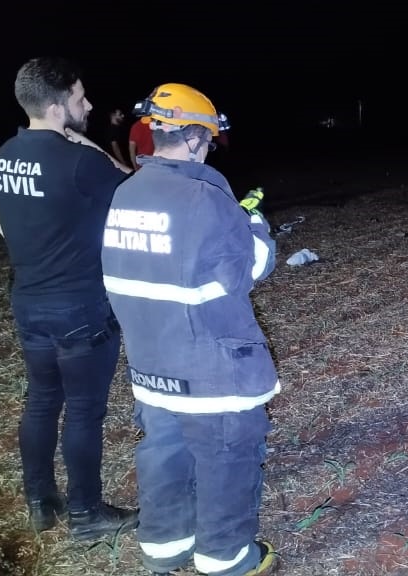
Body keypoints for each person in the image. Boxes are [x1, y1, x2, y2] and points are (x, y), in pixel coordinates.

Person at [101, 82, 280, 576]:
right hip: (210, 369)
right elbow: (246, 270)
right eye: (210, 138)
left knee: (163, 452)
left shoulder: (126, 193)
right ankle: (226, 559)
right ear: (198, 136)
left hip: (151, 364)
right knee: (226, 457)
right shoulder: (206, 194)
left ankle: (164, 547)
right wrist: (255, 225)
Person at [0, 56, 139, 540]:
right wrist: (89, 142)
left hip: (28, 301)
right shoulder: (79, 161)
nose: (88, 104)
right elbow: (133, 189)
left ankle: (40, 501)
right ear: (57, 108)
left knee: (40, 402)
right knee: (84, 411)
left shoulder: (2, 156)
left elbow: (0, 226)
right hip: (79, 306)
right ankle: (86, 515)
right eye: (79, 97)